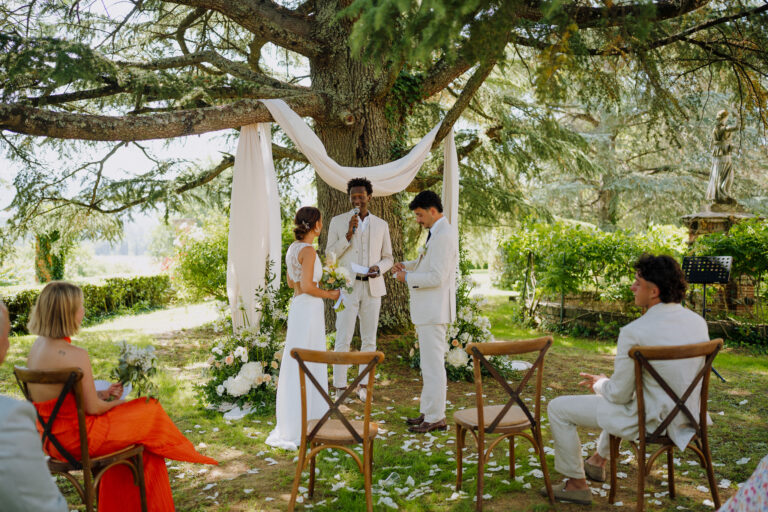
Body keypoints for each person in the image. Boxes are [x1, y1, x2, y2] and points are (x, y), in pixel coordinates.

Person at [25, 281, 217, 512]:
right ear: (66, 312)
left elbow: (59, 399)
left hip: (51, 441)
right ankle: (184, 452)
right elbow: (94, 409)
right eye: (81, 306)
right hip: (80, 441)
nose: (83, 311)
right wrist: (119, 402)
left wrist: (101, 393)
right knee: (149, 408)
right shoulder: (76, 355)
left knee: (146, 451)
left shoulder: (36, 349)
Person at [543, 254, 710, 505]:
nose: (632, 287)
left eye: (637, 282)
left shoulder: (634, 332)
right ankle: (597, 461)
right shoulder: (699, 323)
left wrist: (600, 383)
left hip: (651, 421)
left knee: (558, 408)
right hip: (689, 417)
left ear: (653, 291)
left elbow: (619, 395)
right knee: (626, 396)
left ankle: (576, 484)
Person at [266, 206, 341, 450]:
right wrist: (330, 294)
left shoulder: (293, 249)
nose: (321, 224)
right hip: (308, 308)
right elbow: (308, 286)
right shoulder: (308, 251)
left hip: (298, 307)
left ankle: (295, 420)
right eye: (320, 221)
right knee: (311, 359)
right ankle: (309, 420)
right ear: (315, 224)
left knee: (297, 360)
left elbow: (292, 282)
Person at [392, 190, 458, 434]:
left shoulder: (444, 235)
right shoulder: (436, 233)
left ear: (432, 210)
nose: (418, 220)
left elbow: (437, 277)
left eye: (419, 215)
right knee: (427, 366)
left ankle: (436, 417)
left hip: (433, 311)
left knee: (433, 366)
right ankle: (428, 412)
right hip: (427, 311)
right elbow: (427, 264)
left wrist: (406, 277)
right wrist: (406, 266)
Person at [326, 177, 393, 402]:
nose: (357, 199)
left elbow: (389, 258)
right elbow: (329, 256)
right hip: (347, 288)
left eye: (360, 195)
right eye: (353, 196)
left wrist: (379, 268)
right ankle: (340, 388)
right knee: (343, 337)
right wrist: (347, 235)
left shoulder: (382, 225)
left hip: (373, 288)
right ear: (349, 198)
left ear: (369, 197)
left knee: (369, 339)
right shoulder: (338, 221)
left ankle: (364, 385)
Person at [0, 301, 68, 512]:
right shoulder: (9, 418)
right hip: (70, 440)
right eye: (7, 335)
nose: (9, 344)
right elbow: (44, 507)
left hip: (48, 435)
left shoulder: (37, 347)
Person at [705, 109, 739, 204]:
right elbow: (737, 127)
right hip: (724, 154)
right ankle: (723, 195)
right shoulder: (725, 128)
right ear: (725, 117)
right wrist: (737, 116)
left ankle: (718, 196)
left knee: (718, 174)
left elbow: (710, 145)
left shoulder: (714, 129)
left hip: (717, 155)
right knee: (727, 174)